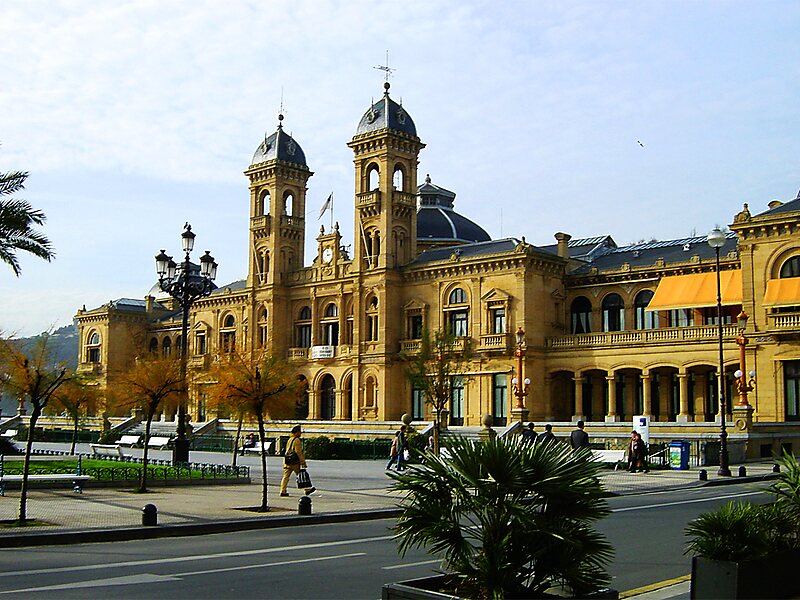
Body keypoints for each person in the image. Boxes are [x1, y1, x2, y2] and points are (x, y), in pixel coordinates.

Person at [280, 425, 315, 497]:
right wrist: (303, 462)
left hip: (287, 461)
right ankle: (307, 490)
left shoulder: (290, 439)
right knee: (301, 475)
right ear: (296, 432)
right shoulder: (297, 440)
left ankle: (283, 491)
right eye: (300, 432)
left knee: (286, 477)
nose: (301, 433)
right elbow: (298, 452)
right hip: (294, 462)